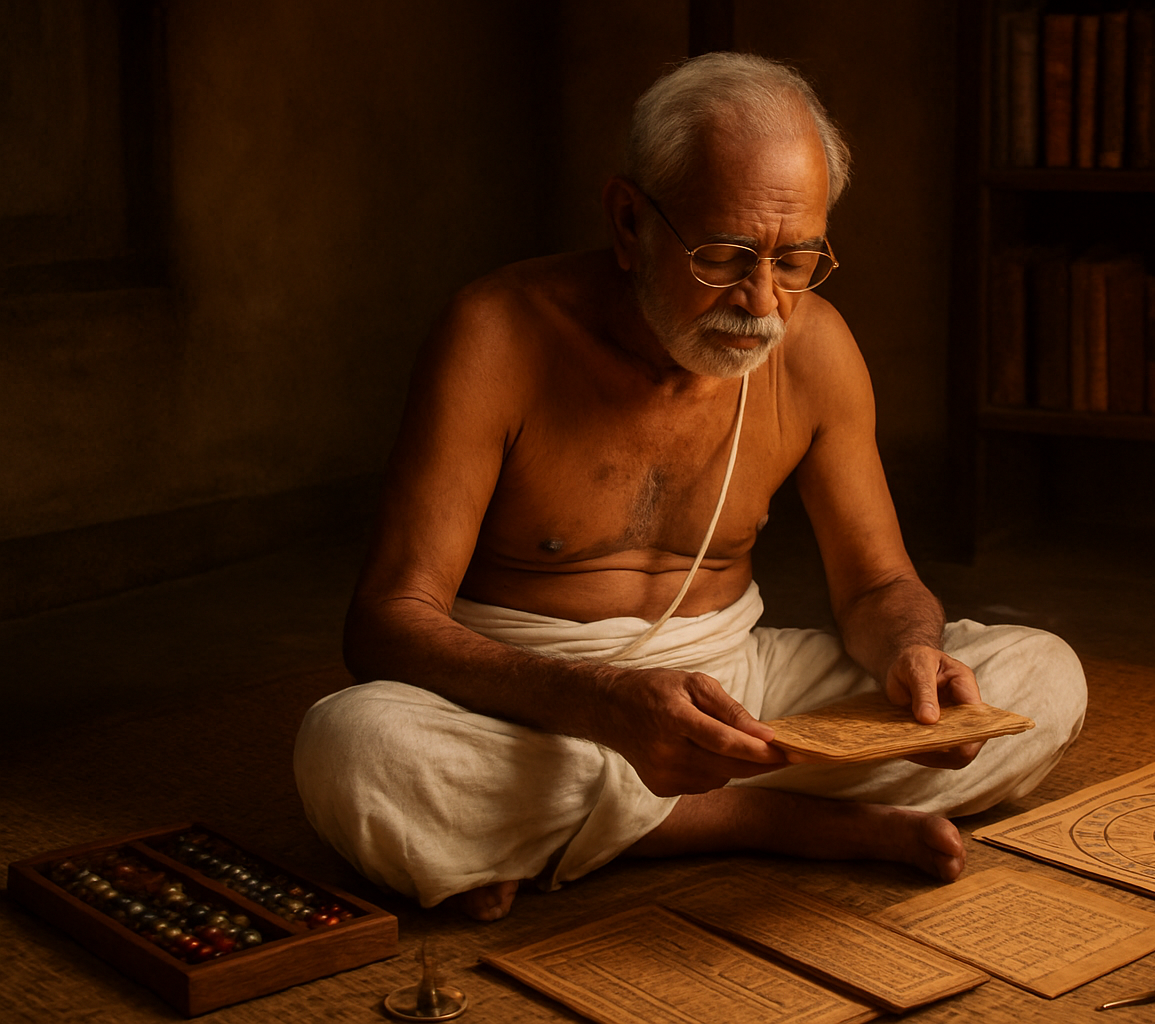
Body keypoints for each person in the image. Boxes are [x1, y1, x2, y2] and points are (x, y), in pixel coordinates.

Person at [294, 52, 1086, 922]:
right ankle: (770, 819)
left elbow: (878, 585)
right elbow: (387, 622)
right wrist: (602, 703)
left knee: (1041, 678)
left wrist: (911, 656)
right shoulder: (497, 335)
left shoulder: (814, 348)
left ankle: (582, 827)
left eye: (796, 260)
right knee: (358, 749)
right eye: (725, 256)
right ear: (629, 221)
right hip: (530, 704)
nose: (762, 302)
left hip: (736, 692)